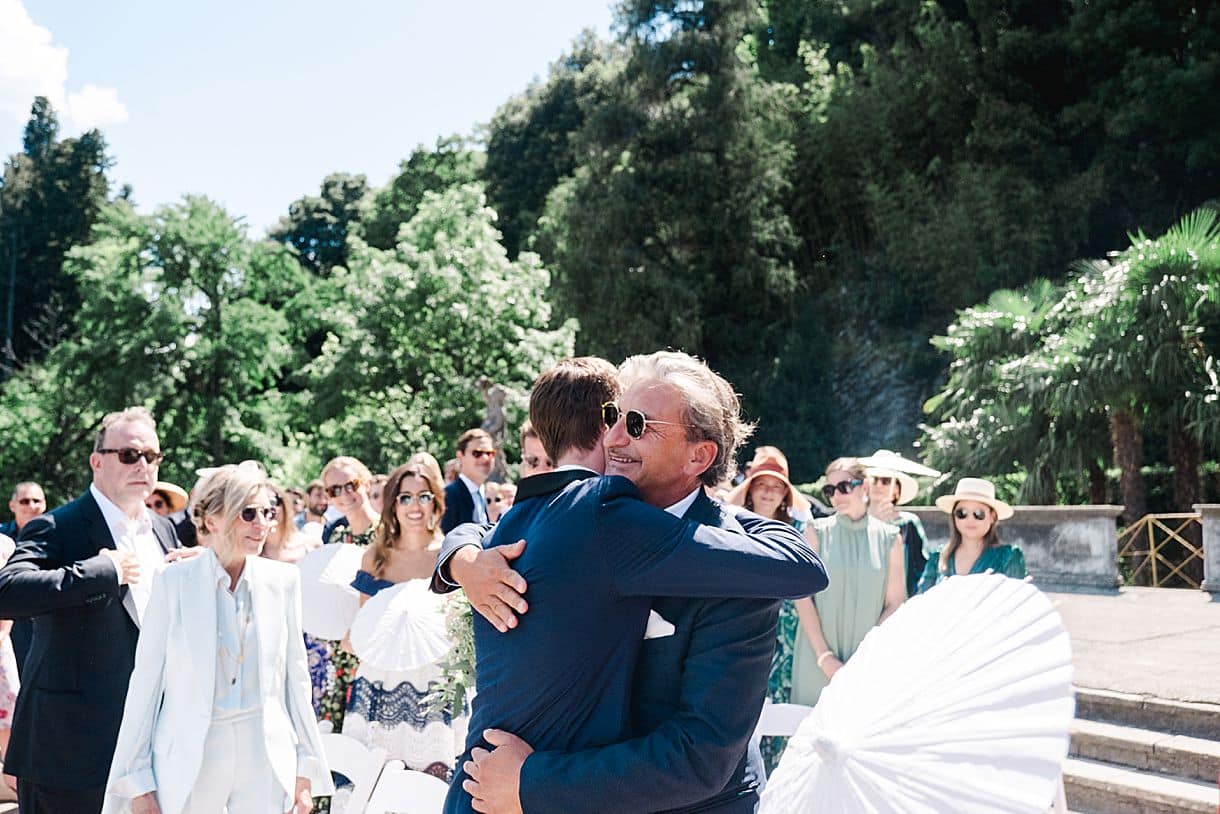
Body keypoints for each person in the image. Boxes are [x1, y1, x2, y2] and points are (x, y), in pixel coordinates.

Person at [436, 353, 828, 814]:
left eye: (638, 424)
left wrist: (534, 783)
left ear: (698, 455)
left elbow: (700, 758)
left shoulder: (743, 567)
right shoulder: (585, 517)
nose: (614, 436)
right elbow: (496, 530)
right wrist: (463, 560)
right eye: (612, 416)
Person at [103, 462, 332, 814]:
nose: (262, 524)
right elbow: (146, 684)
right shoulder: (173, 581)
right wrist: (137, 782)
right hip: (191, 760)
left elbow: (295, 683)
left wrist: (306, 771)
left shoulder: (283, 580)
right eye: (248, 513)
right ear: (212, 520)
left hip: (266, 759)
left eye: (268, 512)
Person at [0, 407, 182, 814]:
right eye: (131, 455)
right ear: (97, 461)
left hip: (146, 747)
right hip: (67, 749)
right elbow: (7, 591)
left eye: (153, 457)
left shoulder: (164, 530)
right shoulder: (58, 526)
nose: (144, 465)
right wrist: (99, 571)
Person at [342, 454, 465, 783]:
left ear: (436, 503)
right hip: (381, 684)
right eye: (405, 497)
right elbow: (362, 631)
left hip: (436, 683)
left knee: (430, 788)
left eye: (423, 496)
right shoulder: (376, 558)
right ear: (393, 504)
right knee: (375, 786)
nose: (415, 505)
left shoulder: (451, 556)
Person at [790, 457, 906, 708]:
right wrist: (824, 657)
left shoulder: (890, 538)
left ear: (865, 488)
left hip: (869, 665)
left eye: (844, 486)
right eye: (830, 490)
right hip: (816, 659)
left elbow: (896, 603)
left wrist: (865, 657)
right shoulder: (816, 532)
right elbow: (802, 596)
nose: (836, 495)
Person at [724, 446, 811, 771]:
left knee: (781, 705)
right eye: (762, 484)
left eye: (777, 486)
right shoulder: (730, 524)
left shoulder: (797, 532)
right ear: (750, 488)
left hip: (785, 632)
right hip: (739, 626)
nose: (769, 492)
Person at [919, 477, 1025, 592]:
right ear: (954, 516)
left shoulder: (1008, 557)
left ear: (992, 517)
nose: (970, 519)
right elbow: (920, 601)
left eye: (978, 513)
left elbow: (1017, 603)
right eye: (962, 513)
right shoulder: (937, 557)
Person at [1, 481, 47, 678]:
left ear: (44, 505)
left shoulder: (55, 535)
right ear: (13, 506)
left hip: (40, 623)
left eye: (36, 501)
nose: (31, 506)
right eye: (25, 501)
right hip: (6, 626)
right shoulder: (2, 538)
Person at [441, 429, 496, 533]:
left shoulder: (486, 495)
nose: (485, 458)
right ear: (460, 456)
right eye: (477, 453)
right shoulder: (449, 496)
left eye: (490, 453)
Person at [261, 484, 320, 564]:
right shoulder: (252, 552)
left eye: (273, 502)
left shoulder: (311, 545)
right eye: (260, 505)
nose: (268, 508)